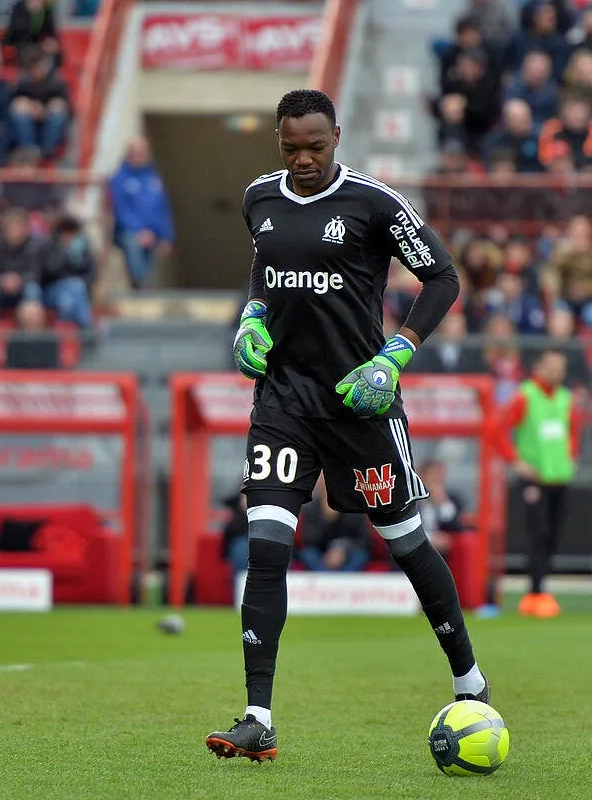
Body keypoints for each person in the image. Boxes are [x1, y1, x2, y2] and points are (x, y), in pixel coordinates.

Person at [205, 89, 486, 763]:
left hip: (360, 404)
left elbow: (442, 277)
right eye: (289, 147)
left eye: (315, 146)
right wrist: (251, 318)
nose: (302, 159)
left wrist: (398, 354)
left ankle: (469, 683)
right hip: (283, 403)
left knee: (406, 542)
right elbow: (266, 275)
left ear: (336, 137)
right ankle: (256, 717)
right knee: (267, 548)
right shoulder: (259, 200)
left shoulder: (375, 204)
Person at [495, 350, 581, 618]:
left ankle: (540, 588)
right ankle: (535, 590)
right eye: (552, 367)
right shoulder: (526, 395)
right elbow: (498, 430)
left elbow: (573, 433)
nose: (557, 373)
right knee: (538, 533)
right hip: (534, 478)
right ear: (539, 368)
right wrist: (516, 462)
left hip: (559, 477)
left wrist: (570, 457)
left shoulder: (566, 399)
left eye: (561, 368)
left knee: (554, 534)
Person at [110, 137, 174, 288]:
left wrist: (167, 236)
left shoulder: (153, 178)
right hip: (131, 232)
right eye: (137, 153)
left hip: (153, 233)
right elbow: (121, 210)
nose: (141, 156)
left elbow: (162, 208)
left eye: (143, 152)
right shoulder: (120, 179)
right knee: (133, 248)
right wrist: (139, 230)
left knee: (151, 262)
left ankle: (144, 287)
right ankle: (140, 287)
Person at [296, 476, 373, 572]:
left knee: (360, 555)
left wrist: (341, 548)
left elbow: (363, 539)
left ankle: (344, 582)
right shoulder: (310, 508)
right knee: (308, 554)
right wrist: (327, 520)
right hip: (321, 551)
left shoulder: (354, 506)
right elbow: (310, 539)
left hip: (349, 550)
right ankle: (324, 581)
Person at [418, 460, 465, 553]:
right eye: (433, 474)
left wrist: (442, 503)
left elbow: (456, 527)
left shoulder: (453, 500)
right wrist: (430, 538)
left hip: (441, 553)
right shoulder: (411, 500)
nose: (437, 479)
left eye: (440, 475)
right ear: (422, 476)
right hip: (415, 549)